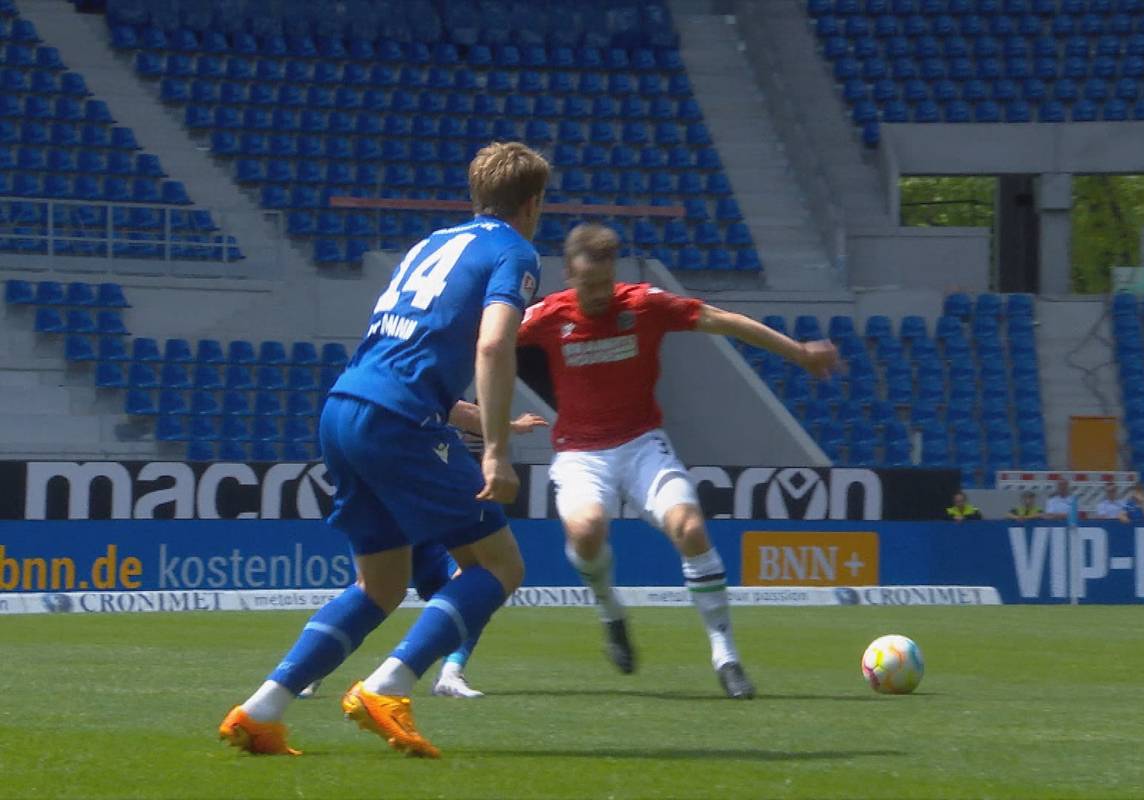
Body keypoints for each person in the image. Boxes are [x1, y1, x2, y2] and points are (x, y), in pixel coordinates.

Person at [218, 141, 550, 757]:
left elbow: (400, 356)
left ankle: (261, 710)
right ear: (532, 204)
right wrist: (497, 449)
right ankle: (387, 686)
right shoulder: (515, 251)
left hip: (345, 407)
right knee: (500, 567)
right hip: (398, 422)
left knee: (381, 584)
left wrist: (475, 418)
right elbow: (494, 346)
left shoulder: (429, 245)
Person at [516, 223, 840, 700]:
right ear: (568, 274)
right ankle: (611, 613)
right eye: (588, 284)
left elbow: (722, 319)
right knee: (585, 531)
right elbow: (486, 342)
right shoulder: (546, 317)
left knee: (690, 528)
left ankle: (725, 656)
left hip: (643, 443)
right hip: (581, 454)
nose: (600, 294)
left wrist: (797, 353)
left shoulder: (644, 304)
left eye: (605, 283)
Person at [300, 403, 548, 701]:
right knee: (376, 592)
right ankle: (311, 673)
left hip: (423, 519)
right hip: (399, 507)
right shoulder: (403, 392)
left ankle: (450, 674)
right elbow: (461, 411)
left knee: (471, 585)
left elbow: (459, 412)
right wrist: (511, 426)